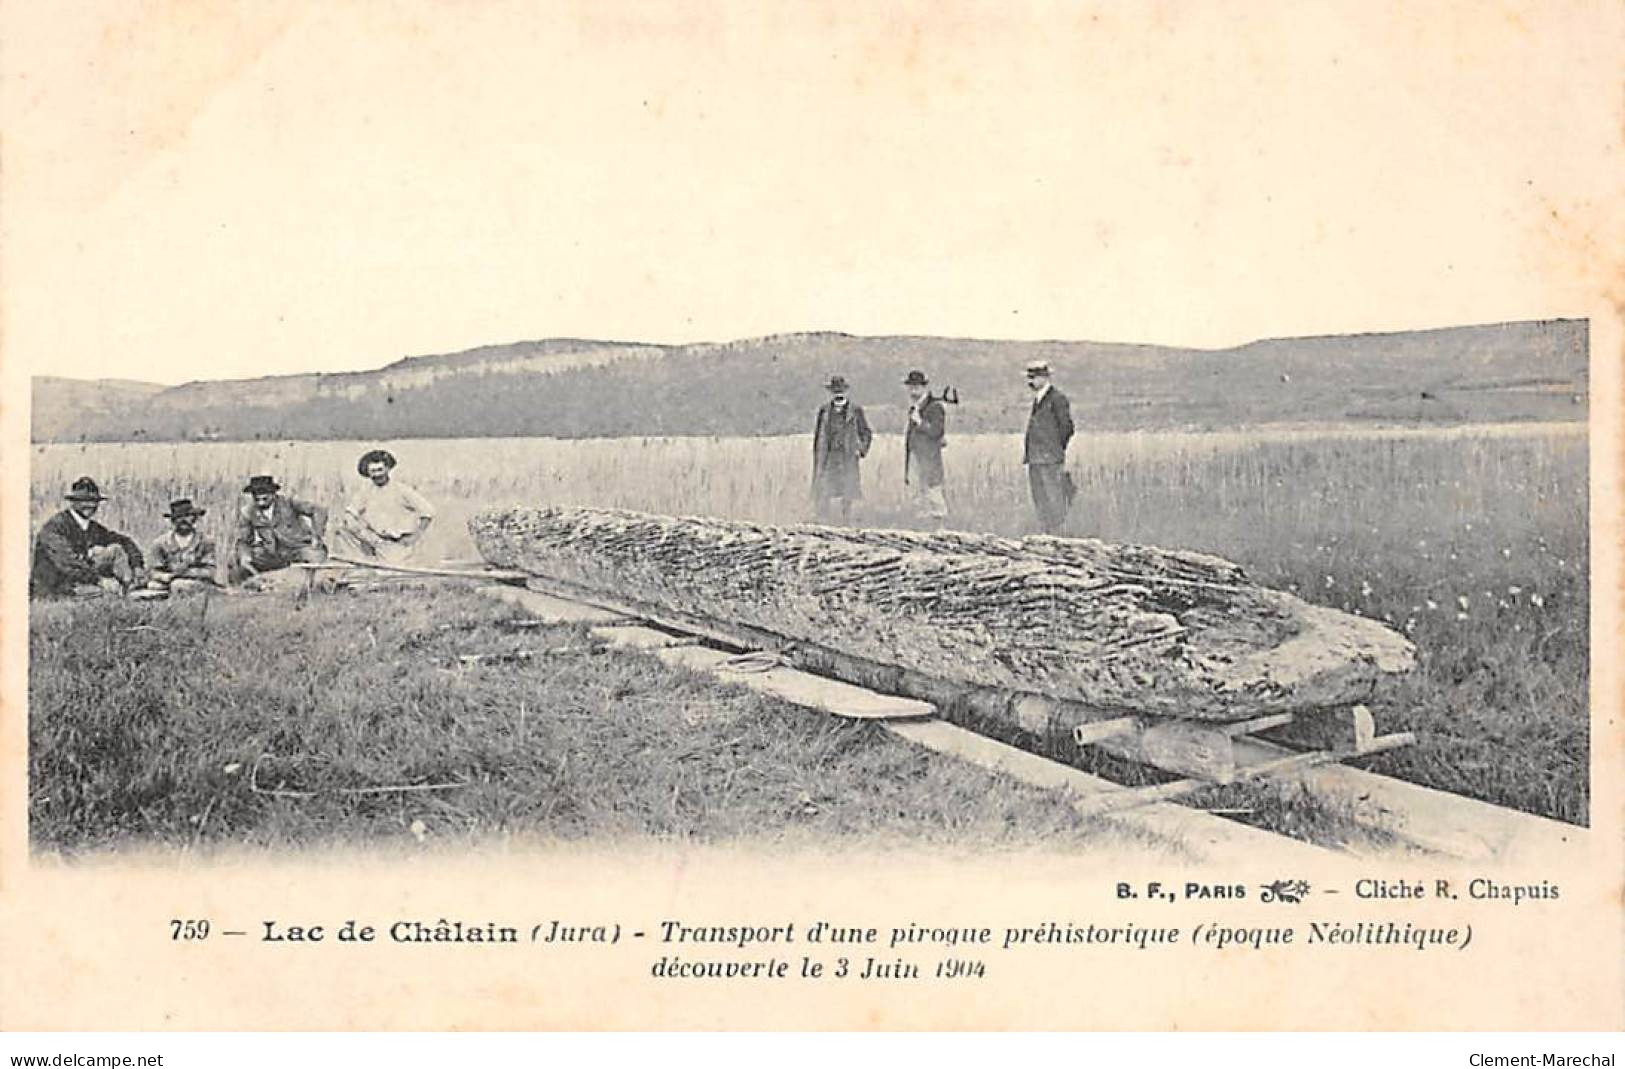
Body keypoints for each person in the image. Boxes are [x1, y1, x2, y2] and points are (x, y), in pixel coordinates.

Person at [30, 477, 145, 598]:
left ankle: (131, 587)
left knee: (115, 549)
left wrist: (137, 566)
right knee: (108, 594)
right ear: (73, 502)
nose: (90, 505)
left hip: (81, 581)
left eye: (94, 501)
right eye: (84, 500)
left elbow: (124, 541)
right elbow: (68, 563)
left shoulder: (92, 528)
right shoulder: (54, 527)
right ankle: (125, 594)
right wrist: (101, 581)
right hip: (56, 587)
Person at [333, 449, 436, 565]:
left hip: (396, 544)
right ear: (368, 473)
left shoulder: (401, 490)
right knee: (342, 529)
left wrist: (415, 536)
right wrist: (364, 537)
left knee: (391, 574)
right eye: (373, 471)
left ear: (387, 469)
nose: (377, 475)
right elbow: (350, 513)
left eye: (380, 470)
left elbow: (428, 511)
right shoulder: (366, 491)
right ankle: (365, 561)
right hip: (374, 541)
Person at [230, 475, 328, 584]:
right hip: (274, 554)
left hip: (299, 548)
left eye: (264, 497)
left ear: (273, 494)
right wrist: (245, 556)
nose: (260, 502)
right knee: (240, 568)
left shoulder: (288, 502)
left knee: (316, 561)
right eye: (256, 498)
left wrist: (317, 536)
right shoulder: (248, 512)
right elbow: (243, 540)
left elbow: (319, 511)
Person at [1022, 361, 1075, 533]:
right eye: (1029, 378)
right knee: (1040, 500)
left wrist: (1055, 450)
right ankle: (1047, 536)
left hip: (1049, 459)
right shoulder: (1039, 399)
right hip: (1036, 459)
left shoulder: (1057, 399)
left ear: (1044, 378)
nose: (1030, 382)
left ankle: (1058, 537)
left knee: (1054, 500)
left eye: (1033, 378)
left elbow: (1067, 428)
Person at [811, 374, 872, 523]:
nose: (838, 394)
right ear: (831, 392)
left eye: (841, 391)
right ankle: (823, 521)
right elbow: (818, 435)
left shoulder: (855, 411)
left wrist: (861, 449)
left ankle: (846, 521)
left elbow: (866, 433)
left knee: (847, 490)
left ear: (845, 391)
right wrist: (819, 454)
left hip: (848, 456)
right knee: (825, 488)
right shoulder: (824, 411)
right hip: (830, 456)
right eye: (835, 391)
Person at [146, 498, 220, 594]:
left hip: (197, 582)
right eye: (179, 517)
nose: (184, 520)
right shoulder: (160, 543)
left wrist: (186, 572)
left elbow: (210, 571)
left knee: (179, 585)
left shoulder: (205, 542)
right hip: (167, 582)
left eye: (188, 516)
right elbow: (152, 571)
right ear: (173, 520)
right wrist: (166, 577)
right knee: (153, 586)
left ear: (194, 518)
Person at [902, 369, 948, 523]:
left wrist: (920, 423)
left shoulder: (935, 407)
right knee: (915, 491)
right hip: (915, 456)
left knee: (933, 490)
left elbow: (937, 431)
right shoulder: (914, 408)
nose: (913, 390)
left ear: (924, 387)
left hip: (929, 458)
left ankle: (940, 529)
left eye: (916, 386)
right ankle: (921, 527)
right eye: (910, 386)